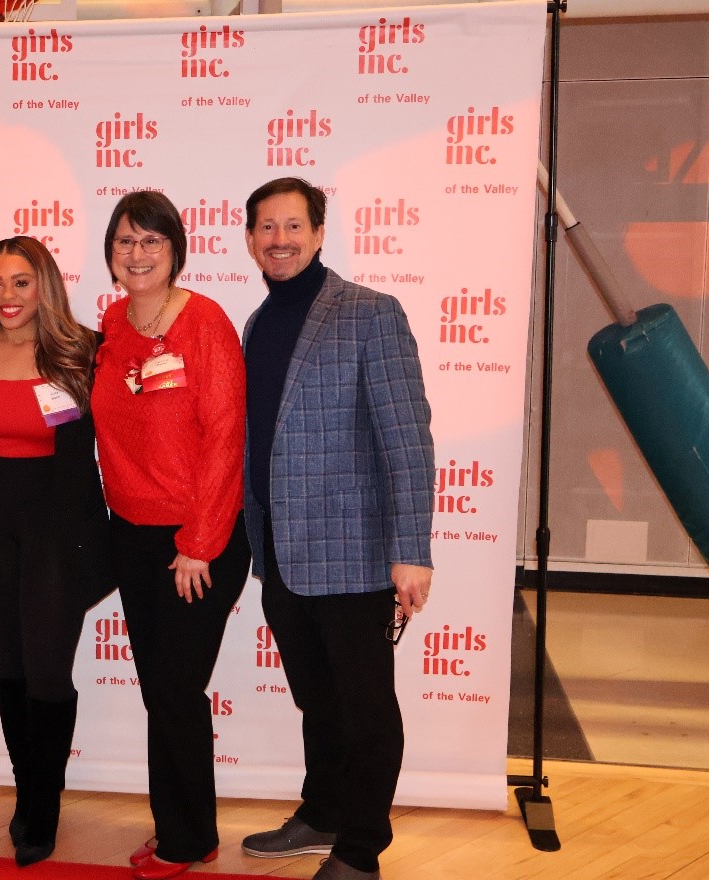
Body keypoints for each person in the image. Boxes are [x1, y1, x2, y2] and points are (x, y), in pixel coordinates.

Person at [237, 177, 435, 880]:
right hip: (283, 553)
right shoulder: (259, 322)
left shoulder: (370, 314)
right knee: (315, 699)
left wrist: (411, 551)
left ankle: (361, 849)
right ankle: (322, 813)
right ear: (251, 237)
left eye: (292, 226)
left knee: (364, 705)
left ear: (319, 233)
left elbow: (407, 438)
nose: (279, 240)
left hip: (354, 552)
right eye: (266, 227)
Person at [90, 191, 251, 880]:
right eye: (126, 241)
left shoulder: (205, 321)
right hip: (133, 536)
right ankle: (179, 827)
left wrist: (200, 541)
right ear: (111, 253)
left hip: (197, 542)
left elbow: (225, 438)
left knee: (177, 689)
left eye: (151, 241)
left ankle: (188, 840)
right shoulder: (113, 322)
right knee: (162, 689)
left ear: (176, 249)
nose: (137, 253)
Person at [0, 236, 109, 867]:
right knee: (10, 670)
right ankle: (27, 792)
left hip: (57, 533)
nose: (8, 296)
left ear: (45, 285)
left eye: (21, 281)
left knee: (46, 674)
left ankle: (44, 806)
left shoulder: (84, 351)